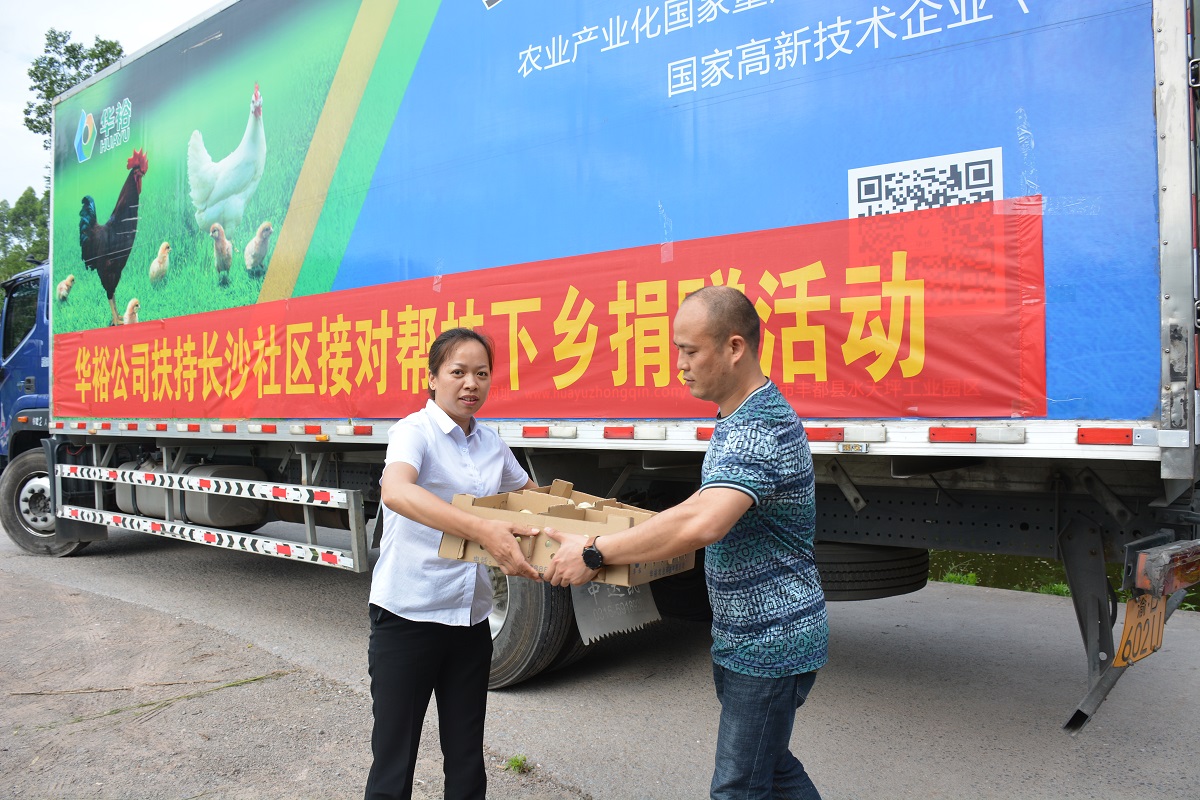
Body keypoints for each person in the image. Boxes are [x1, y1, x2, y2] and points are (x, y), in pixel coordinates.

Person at [545, 286, 829, 800]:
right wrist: (605, 535)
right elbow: (698, 503)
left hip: (770, 641)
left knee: (737, 787)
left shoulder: (758, 429)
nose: (679, 365)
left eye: (690, 350)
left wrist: (595, 552)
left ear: (735, 347)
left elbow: (704, 523)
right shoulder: (738, 416)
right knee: (773, 770)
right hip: (748, 636)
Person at [365, 327, 540, 800]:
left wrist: (597, 523)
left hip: (468, 620)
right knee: (394, 762)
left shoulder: (490, 443)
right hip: (408, 617)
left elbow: (532, 499)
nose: (471, 384)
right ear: (432, 377)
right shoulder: (413, 432)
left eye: (481, 374)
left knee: (466, 759)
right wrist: (481, 529)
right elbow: (396, 491)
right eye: (458, 372)